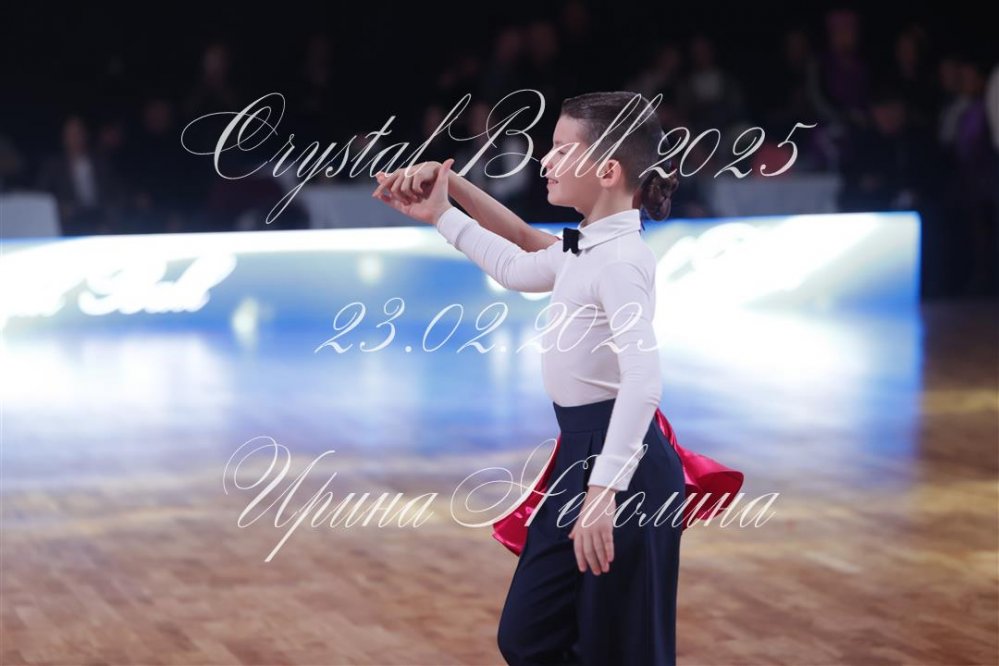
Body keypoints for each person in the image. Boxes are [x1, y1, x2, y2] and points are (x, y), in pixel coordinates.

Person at [373, 91, 684, 665]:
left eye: (563, 150)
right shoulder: (588, 247)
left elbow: (643, 380)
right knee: (531, 635)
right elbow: (516, 261)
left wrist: (603, 492)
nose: (545, 159)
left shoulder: (620, 261)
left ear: (608, 171)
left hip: (623, 469)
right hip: (583, 455)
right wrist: (444, 206)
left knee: (618, 648)